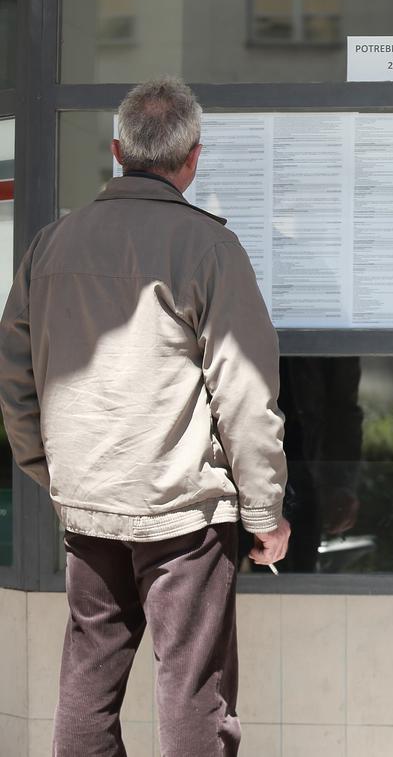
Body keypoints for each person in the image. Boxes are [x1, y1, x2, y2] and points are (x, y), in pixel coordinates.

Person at [0, 77, 290, 755]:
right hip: (183, 514)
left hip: (88, 503)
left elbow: (14, 376)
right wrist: (265, 511)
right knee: (192, 692)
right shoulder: (210, 248)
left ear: (116, 151)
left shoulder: (50, 244)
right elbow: (245, 393)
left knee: (88, 681)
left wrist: (49, 470)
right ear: (192, 159)